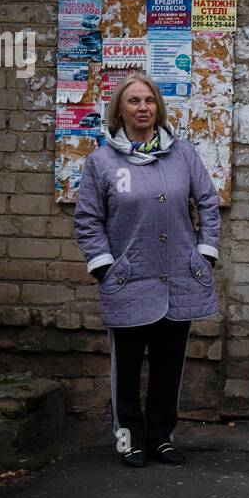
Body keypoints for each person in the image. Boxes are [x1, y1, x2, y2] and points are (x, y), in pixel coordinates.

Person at [73, 72, 220, 468]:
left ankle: (161, 437)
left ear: (159, 107)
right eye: (134, 101)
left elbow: (207, 201)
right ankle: (129, 438)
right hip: (128, 279)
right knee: (127, 366)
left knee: (170, 365)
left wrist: (204, 253)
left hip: (179, 277)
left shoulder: (183, 154)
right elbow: (87, 220)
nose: (143, 108)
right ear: (119, 110)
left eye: (149, 100)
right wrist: (105, 267)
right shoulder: (101, 162)